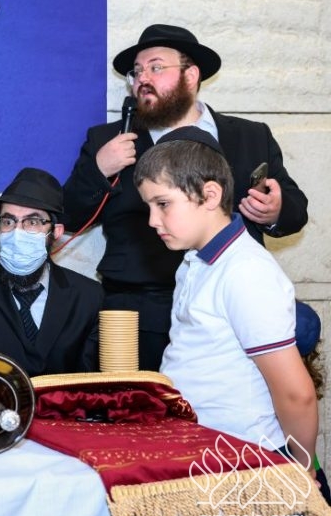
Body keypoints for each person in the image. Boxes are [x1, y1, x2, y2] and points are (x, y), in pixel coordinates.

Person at [63, 24, 308, 370]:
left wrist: (275, 211)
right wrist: (98, 170)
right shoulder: (109, 139)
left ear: (191, 76)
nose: (142, 79)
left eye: (155, 67)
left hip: (231, 305)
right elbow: (69, 216)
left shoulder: (250, 136)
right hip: (141, 312)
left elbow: (296, 212)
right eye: (137, 72)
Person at [134, 127, 319, 484]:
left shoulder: (245, 271)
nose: (153, 221)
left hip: (244, 459)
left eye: (163, 204)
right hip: (201, 450)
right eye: (149, 207)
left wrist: (303, 467)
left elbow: (296, 394)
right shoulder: (195, 261)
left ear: (210, 195)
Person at [0, 168, 102, 377]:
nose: (17, 233)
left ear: (56, 231)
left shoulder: (89, 297)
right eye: (8, 222)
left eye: (32, 222)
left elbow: (90, 383)